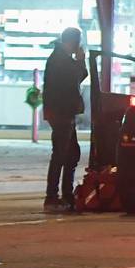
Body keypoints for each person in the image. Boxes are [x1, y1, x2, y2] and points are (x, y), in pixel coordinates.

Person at [42, 28, 88, 212]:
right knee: (62, 154)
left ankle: (65, 194)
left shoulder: (60, 58)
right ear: (74, 42)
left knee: (70, 154)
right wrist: (81, 61)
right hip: (62, 113)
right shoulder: (60, 60)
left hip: (62, 112)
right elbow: (75, 78)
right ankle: (53, 196)